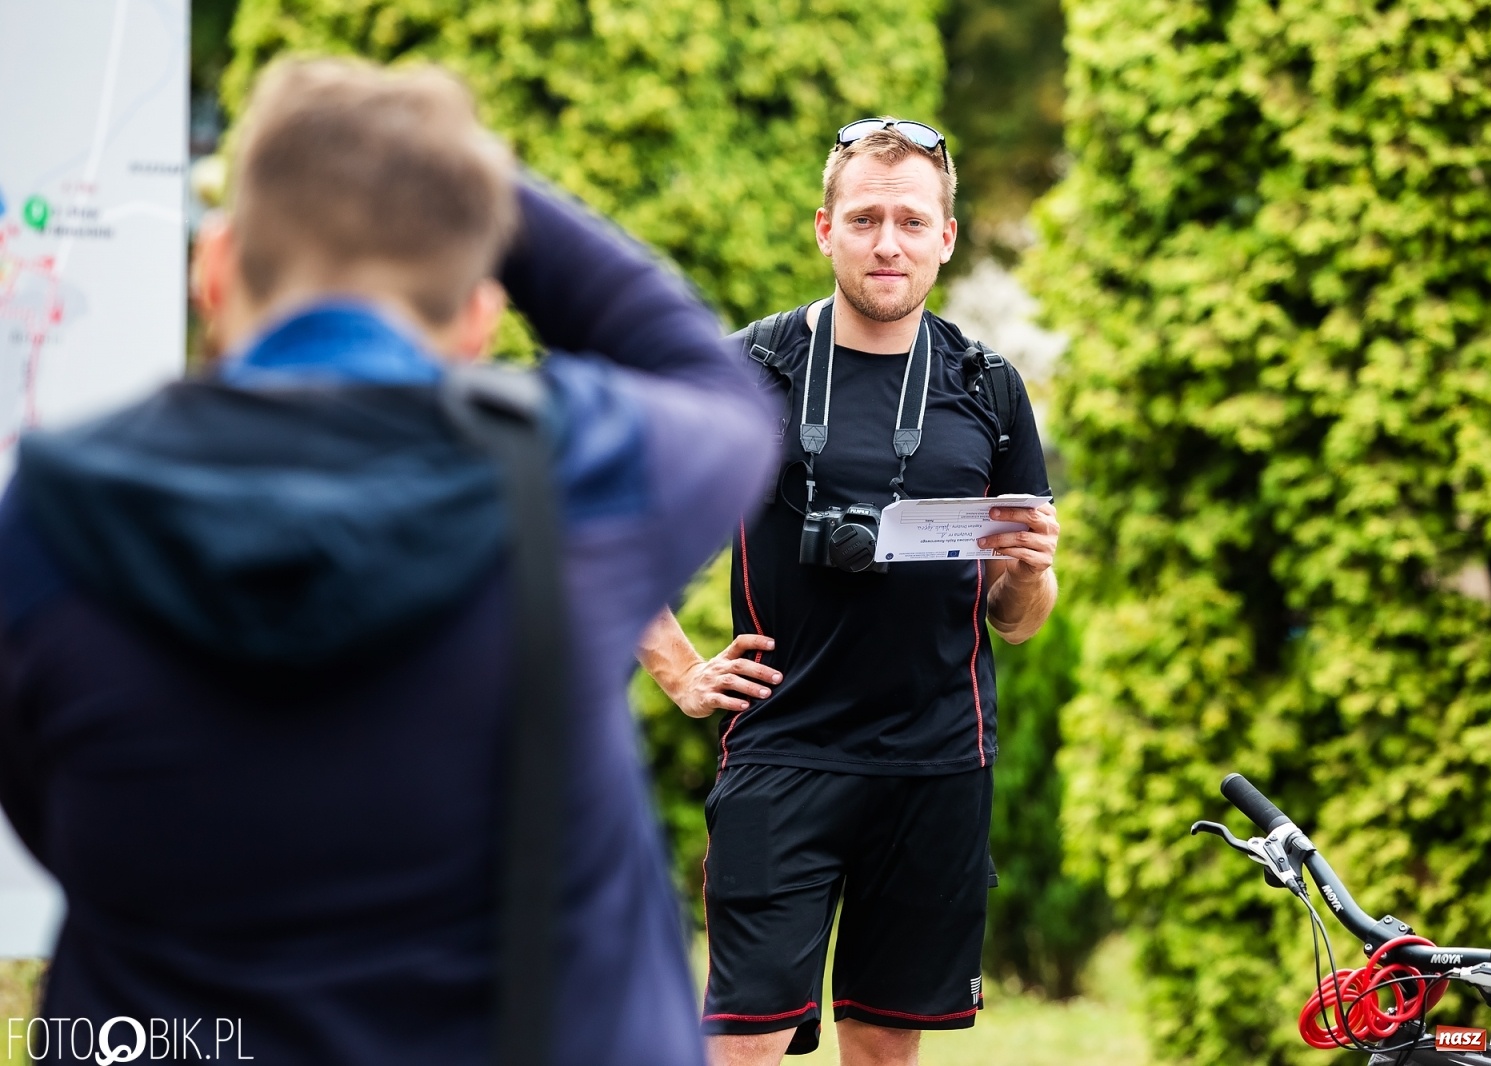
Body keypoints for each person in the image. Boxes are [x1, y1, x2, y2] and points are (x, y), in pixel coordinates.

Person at [0, 59, 775, 1065]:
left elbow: (40, 796)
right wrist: (468, 178)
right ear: (480, 316)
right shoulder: (572, 478)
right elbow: (719, 394)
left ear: (215, 270)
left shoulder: (54, 511)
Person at [636, 118, 1060, 1066]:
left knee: (883, 1049)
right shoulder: (750, 368)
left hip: (939, 766)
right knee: (740, 1046)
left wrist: (1028, 571)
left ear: (946, 238)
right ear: (824, 228)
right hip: (785, 755)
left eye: (912, 221)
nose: (888, 243)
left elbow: (1019, 623)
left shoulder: (989, 390)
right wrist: (681, 673)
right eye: (864, 218)